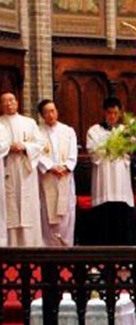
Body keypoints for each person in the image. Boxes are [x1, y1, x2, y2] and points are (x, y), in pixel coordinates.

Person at [86, 96, 134, 245]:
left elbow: (130, 151)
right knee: (104, 214)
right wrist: (112, 147)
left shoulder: (125, 131)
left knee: (121, 213)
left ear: (119, 114)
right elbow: (93, 151)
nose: (112, 116)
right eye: (109, 113)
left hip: (121, 178)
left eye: (115, 113)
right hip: (104, 178)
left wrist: (113, 147)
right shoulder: (94, 131)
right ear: (104, 113)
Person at [0, 91, 44, 246]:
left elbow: (40, 144)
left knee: (28, 203)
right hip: (7, 167)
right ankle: (10, 244)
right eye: (5, 101)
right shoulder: (0, 123)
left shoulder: (29, 122)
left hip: (26, 168)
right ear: (1, 105)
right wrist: (8, 148)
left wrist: (25, 146)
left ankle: (30, 244)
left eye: (11, 100)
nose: (8, 104)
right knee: (9, 204)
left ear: (17, 103)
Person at [37, 99, 78, 247]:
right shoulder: (38, 132)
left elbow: (73, 153)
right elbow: (36, 154)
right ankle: (49, 247)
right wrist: (50, 167)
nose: (51, 115)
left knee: (66, 212)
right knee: (47, 211)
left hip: (64, 176)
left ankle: (66, 246)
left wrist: (66, 167)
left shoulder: (68, 131)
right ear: (42, 115)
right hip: (48, 176)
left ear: (57, 111)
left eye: (53, 111)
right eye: (47, 112)